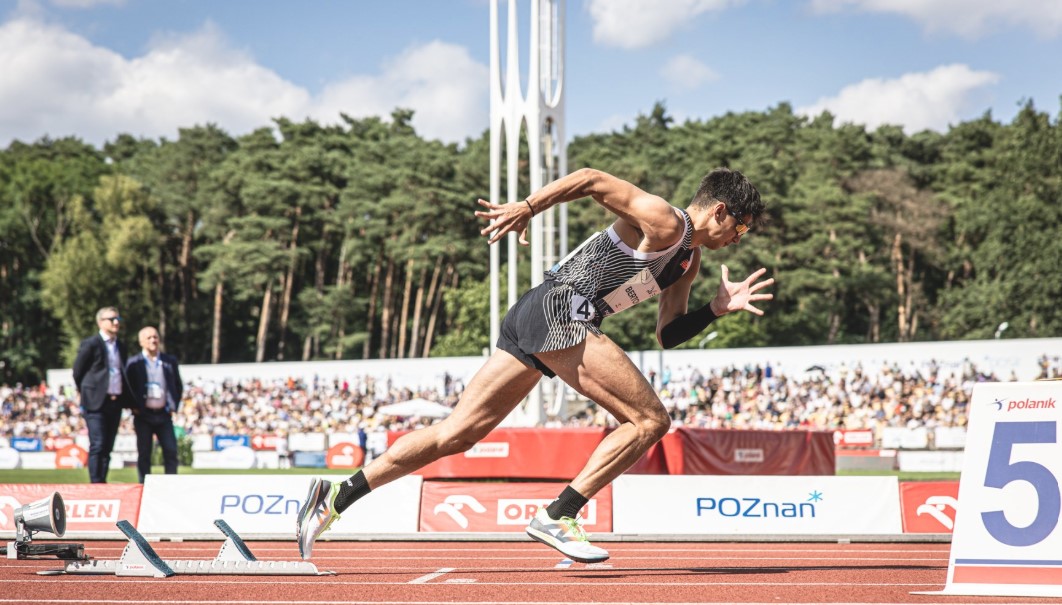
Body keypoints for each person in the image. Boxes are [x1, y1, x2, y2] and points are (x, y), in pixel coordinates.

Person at [297, 167, 774, 562]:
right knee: (650, 420)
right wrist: (526, 208)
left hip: (537, 312)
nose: (738, 239)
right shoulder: (665, 221)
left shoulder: (685, 262)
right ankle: (559, 514)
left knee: (457, 434)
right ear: (721, 211)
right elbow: (590, 179)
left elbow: (667, 335)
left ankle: (335, 498)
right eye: (743, 227)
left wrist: (713, 311)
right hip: (561, 308)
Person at [72, 307, 133, 483]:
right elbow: (78, 371)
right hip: (95, 402)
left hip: (115, 402)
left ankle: (102, 482)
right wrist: (86, 392)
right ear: (100, 322)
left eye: (118, 319)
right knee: (97, 444)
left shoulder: (120, 346)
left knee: (107, 446)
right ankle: (95, 483)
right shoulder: (91, 344)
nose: (116, 322)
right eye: (111, 319)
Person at [126, 326, 184, 483]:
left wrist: (173, 406)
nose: (153, 340)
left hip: (163, 414)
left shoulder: (169, 361)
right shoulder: (134, 363)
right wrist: (134, 407)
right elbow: (128, 387)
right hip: (143, 415)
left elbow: (177, 385)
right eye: (149, 337)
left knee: (171, 450)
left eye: (155, 337)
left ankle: (171, 485)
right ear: (141, 341)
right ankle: (143, 486)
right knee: (144, 453)